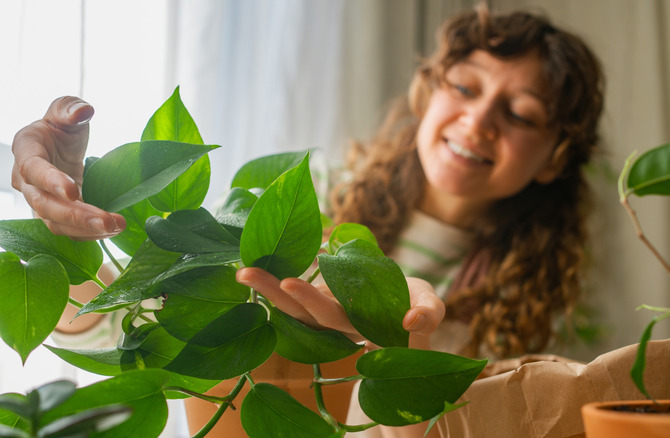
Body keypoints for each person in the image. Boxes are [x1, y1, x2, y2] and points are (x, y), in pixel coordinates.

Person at [11, 3, 604, 436]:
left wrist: (401, 340)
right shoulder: (305, 196)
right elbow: (139, 333)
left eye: (521, 114)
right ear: (429, 91)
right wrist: (85, 214)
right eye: (465, 87)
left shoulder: (541, 303)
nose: (478, 123)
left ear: (556, 155)